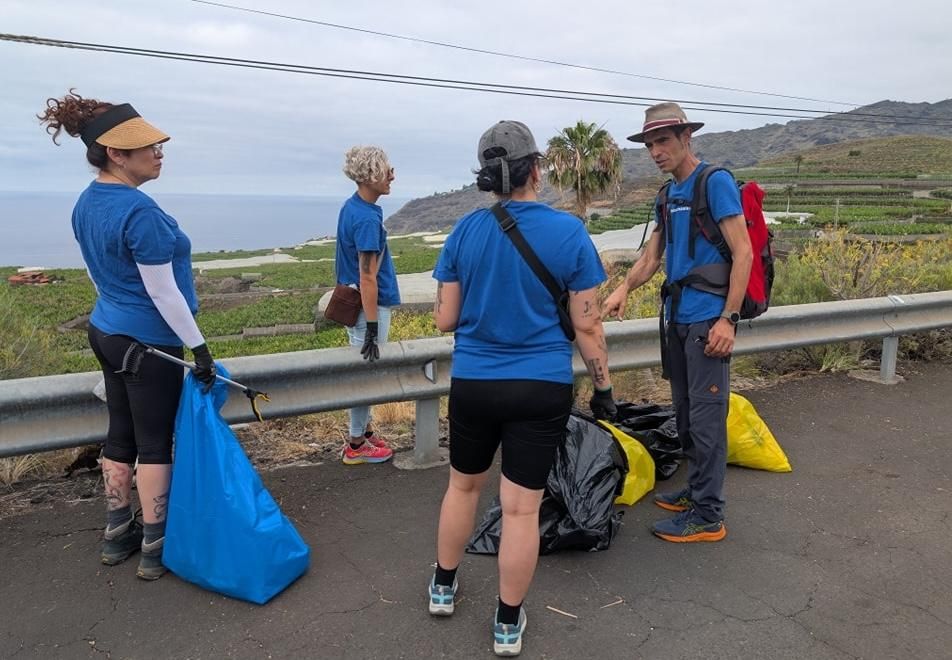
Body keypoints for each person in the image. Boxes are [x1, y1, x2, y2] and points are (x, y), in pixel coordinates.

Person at [428, 120, 616, 657]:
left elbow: (445, 319)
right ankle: (507, 624)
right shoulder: (569, 233)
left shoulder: (465, 231)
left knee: (462, 488)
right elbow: (587, 325)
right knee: (519, 509)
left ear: (487, 176)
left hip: (476, 384)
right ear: (537, 169)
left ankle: (444, 586)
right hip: (540, 387)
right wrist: (603, 387)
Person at [38, 91, 217, 579]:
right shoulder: (140, 213)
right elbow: (164, 294)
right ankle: (157, 546)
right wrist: (199, 349)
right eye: (148, 148)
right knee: (155, 442)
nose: (159, 153)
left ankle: (118, 534)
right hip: (149, 341)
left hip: (107, 331)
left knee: (120, 434)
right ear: (116, 154)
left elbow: (98, 275)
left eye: (158, 145)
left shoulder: (86, 203)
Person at [603, 102, 753, 543]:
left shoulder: (715, 182)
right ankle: (696, 491)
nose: (655, 151)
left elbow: (742, 252)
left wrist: (729, 319)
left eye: (663, 141)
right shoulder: (667, 196)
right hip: (678, 319)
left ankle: (709, 515)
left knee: (707, 419)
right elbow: (652, 257)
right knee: (685, 415)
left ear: (687, 138)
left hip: (709, 318)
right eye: (650, 144)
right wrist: (623, 289)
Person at [334, 146, 400, 465]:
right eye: (386, 169)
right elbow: (368, 277)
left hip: (357, 308)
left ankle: (364, 431)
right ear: (371, 174)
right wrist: (372, 327)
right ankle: (357, 444)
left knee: (365, 373)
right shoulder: (366, 219)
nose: (392, 175)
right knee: (367, 375)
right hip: (367, 309)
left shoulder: (355, 208)